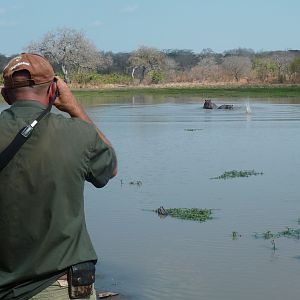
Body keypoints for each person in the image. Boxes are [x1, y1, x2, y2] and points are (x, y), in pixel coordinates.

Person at [0, 53, 117, 299]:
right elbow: (110, 168)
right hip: (58, 287)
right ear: (53, 90)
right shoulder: (79, 134)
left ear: (5, 95)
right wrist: (75, 109)